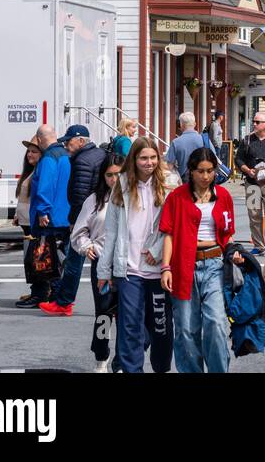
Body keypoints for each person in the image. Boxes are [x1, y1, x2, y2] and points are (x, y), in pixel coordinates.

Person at [97, 138, 173, 374]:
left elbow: (172, 226)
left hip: (159, 268)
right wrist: (104, 271)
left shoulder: (170, 183)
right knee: (130, 326)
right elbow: (111, 231)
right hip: (128, 269)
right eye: (143, 158)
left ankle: (161, 368)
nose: (148, 163)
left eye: (153, 157)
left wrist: (158, 250)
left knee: (160, 328)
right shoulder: (121, 184)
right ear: (134, 160)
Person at [161, 148, 239, 372]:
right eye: (200, 171)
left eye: (210, 171)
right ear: (191, 171)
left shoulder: (223, 196)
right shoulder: (176, 197)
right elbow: (168, 234)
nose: (206, 176)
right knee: (186, 329)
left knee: (215, 323)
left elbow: (227, 233)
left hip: (214, 263)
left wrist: (233, 251)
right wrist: (166, 267)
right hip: (183, 266)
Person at [43, 124, 107, 316]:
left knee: (73, 262)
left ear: (80, 141)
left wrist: (74, 221)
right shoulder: (100, 155)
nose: (66, 146)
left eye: (68, 142)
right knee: (101, 261)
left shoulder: (81, 160)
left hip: (87, 219)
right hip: (103, 217)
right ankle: (107, 303)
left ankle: (64, 302)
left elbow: (79, 194)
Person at [71, 157, 123, 372]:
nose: (114, 179)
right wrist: (86, 246)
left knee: (127, 316)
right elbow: (79, 231)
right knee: (103, 313)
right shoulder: (94, 200)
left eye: (118, 174)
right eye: (109, 175)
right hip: (102, 265)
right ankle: (101, 357)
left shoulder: (135, 197)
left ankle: (121, 362)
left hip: (129, 266)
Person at [26, 123, 71, 310]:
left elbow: (45, 185)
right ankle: (59, 298)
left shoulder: (49, 158)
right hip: (65, 215)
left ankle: (57, 299)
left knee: (49, 260)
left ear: (41, 139)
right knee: (61, 258)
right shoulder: (66, 155)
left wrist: (43, 210)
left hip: (50, 217)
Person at [15, 137, 49, 306]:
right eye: (28, 151)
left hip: (33, 223)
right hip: (25, 222)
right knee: (31, 261)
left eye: (34, 151)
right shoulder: (30, 171)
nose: (30, 154)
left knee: (36, 260)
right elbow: (24, 197)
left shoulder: (39, 172)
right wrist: (17, 214)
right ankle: (35, 292)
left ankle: (40, 294)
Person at [238, 111, 265, 255]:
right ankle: (258, 245)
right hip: (252, 184)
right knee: (254, 215)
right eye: (254, 121)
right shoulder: (247, 140)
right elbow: (238, 159)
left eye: (257, 122)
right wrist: (247, 170)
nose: (254, 124)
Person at [167, 112, 204, 183]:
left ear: (181, 125)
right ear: (195, 124)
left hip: (185, 178)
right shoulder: (204, 139)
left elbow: (170, 166)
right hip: (203, 176)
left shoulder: (176, 142)